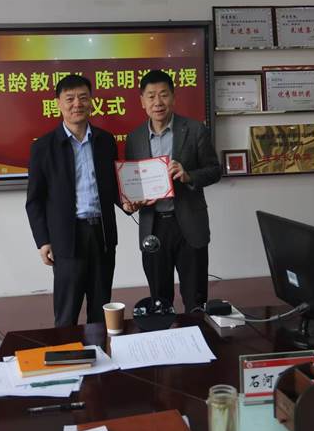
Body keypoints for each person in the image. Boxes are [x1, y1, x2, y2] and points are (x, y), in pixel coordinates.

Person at [124, 69, 221, 312]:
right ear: (142, 101)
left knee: (195, 298)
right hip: (153, 224)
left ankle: (197, 332)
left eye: (164, 95)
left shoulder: (195, 130)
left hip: (189, 222)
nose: (158, 102)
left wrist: (189, 176)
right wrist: (132, 201)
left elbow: (215, 170)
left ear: (173, 97)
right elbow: (131, 182)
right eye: (151, 96)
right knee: (159, 299)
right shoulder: (134, 138)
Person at [26, 74, 119, 327]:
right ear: (58, 103)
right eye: (70, 99)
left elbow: (114, 186)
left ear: (91, 102)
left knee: (101, 309)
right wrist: (43, 241)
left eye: (83, 98)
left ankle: (100, 349)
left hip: (102, 235)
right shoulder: (43, 147)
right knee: (67, 313)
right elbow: (34, 200)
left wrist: (128, 203)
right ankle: (67, 352)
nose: (77, 104)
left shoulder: (105, 141)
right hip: (67, 238)